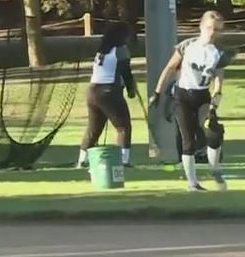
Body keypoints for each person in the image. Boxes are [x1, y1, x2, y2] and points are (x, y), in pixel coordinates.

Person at [149, 10, 229, 191]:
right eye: (209, 28)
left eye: (216, 29)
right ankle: (192, 183)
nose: (212, 32)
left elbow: (218, 82)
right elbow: (169, 68)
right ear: (201, 27)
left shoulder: (218, 53)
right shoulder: (187, 46)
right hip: (182, 96)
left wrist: (214, 105)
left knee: (213, 133)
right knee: (188, 140)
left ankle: (214, 169)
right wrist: (158, 92)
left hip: (203, 97)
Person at [77, 23, 137, 168]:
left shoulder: (102, 50)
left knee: (94, 129)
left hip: (92, 91)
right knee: (123, 127)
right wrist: (131, 89)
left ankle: (82, 160)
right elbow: (125, 72)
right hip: (109, 90)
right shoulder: (121, 50)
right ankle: (123, 160)